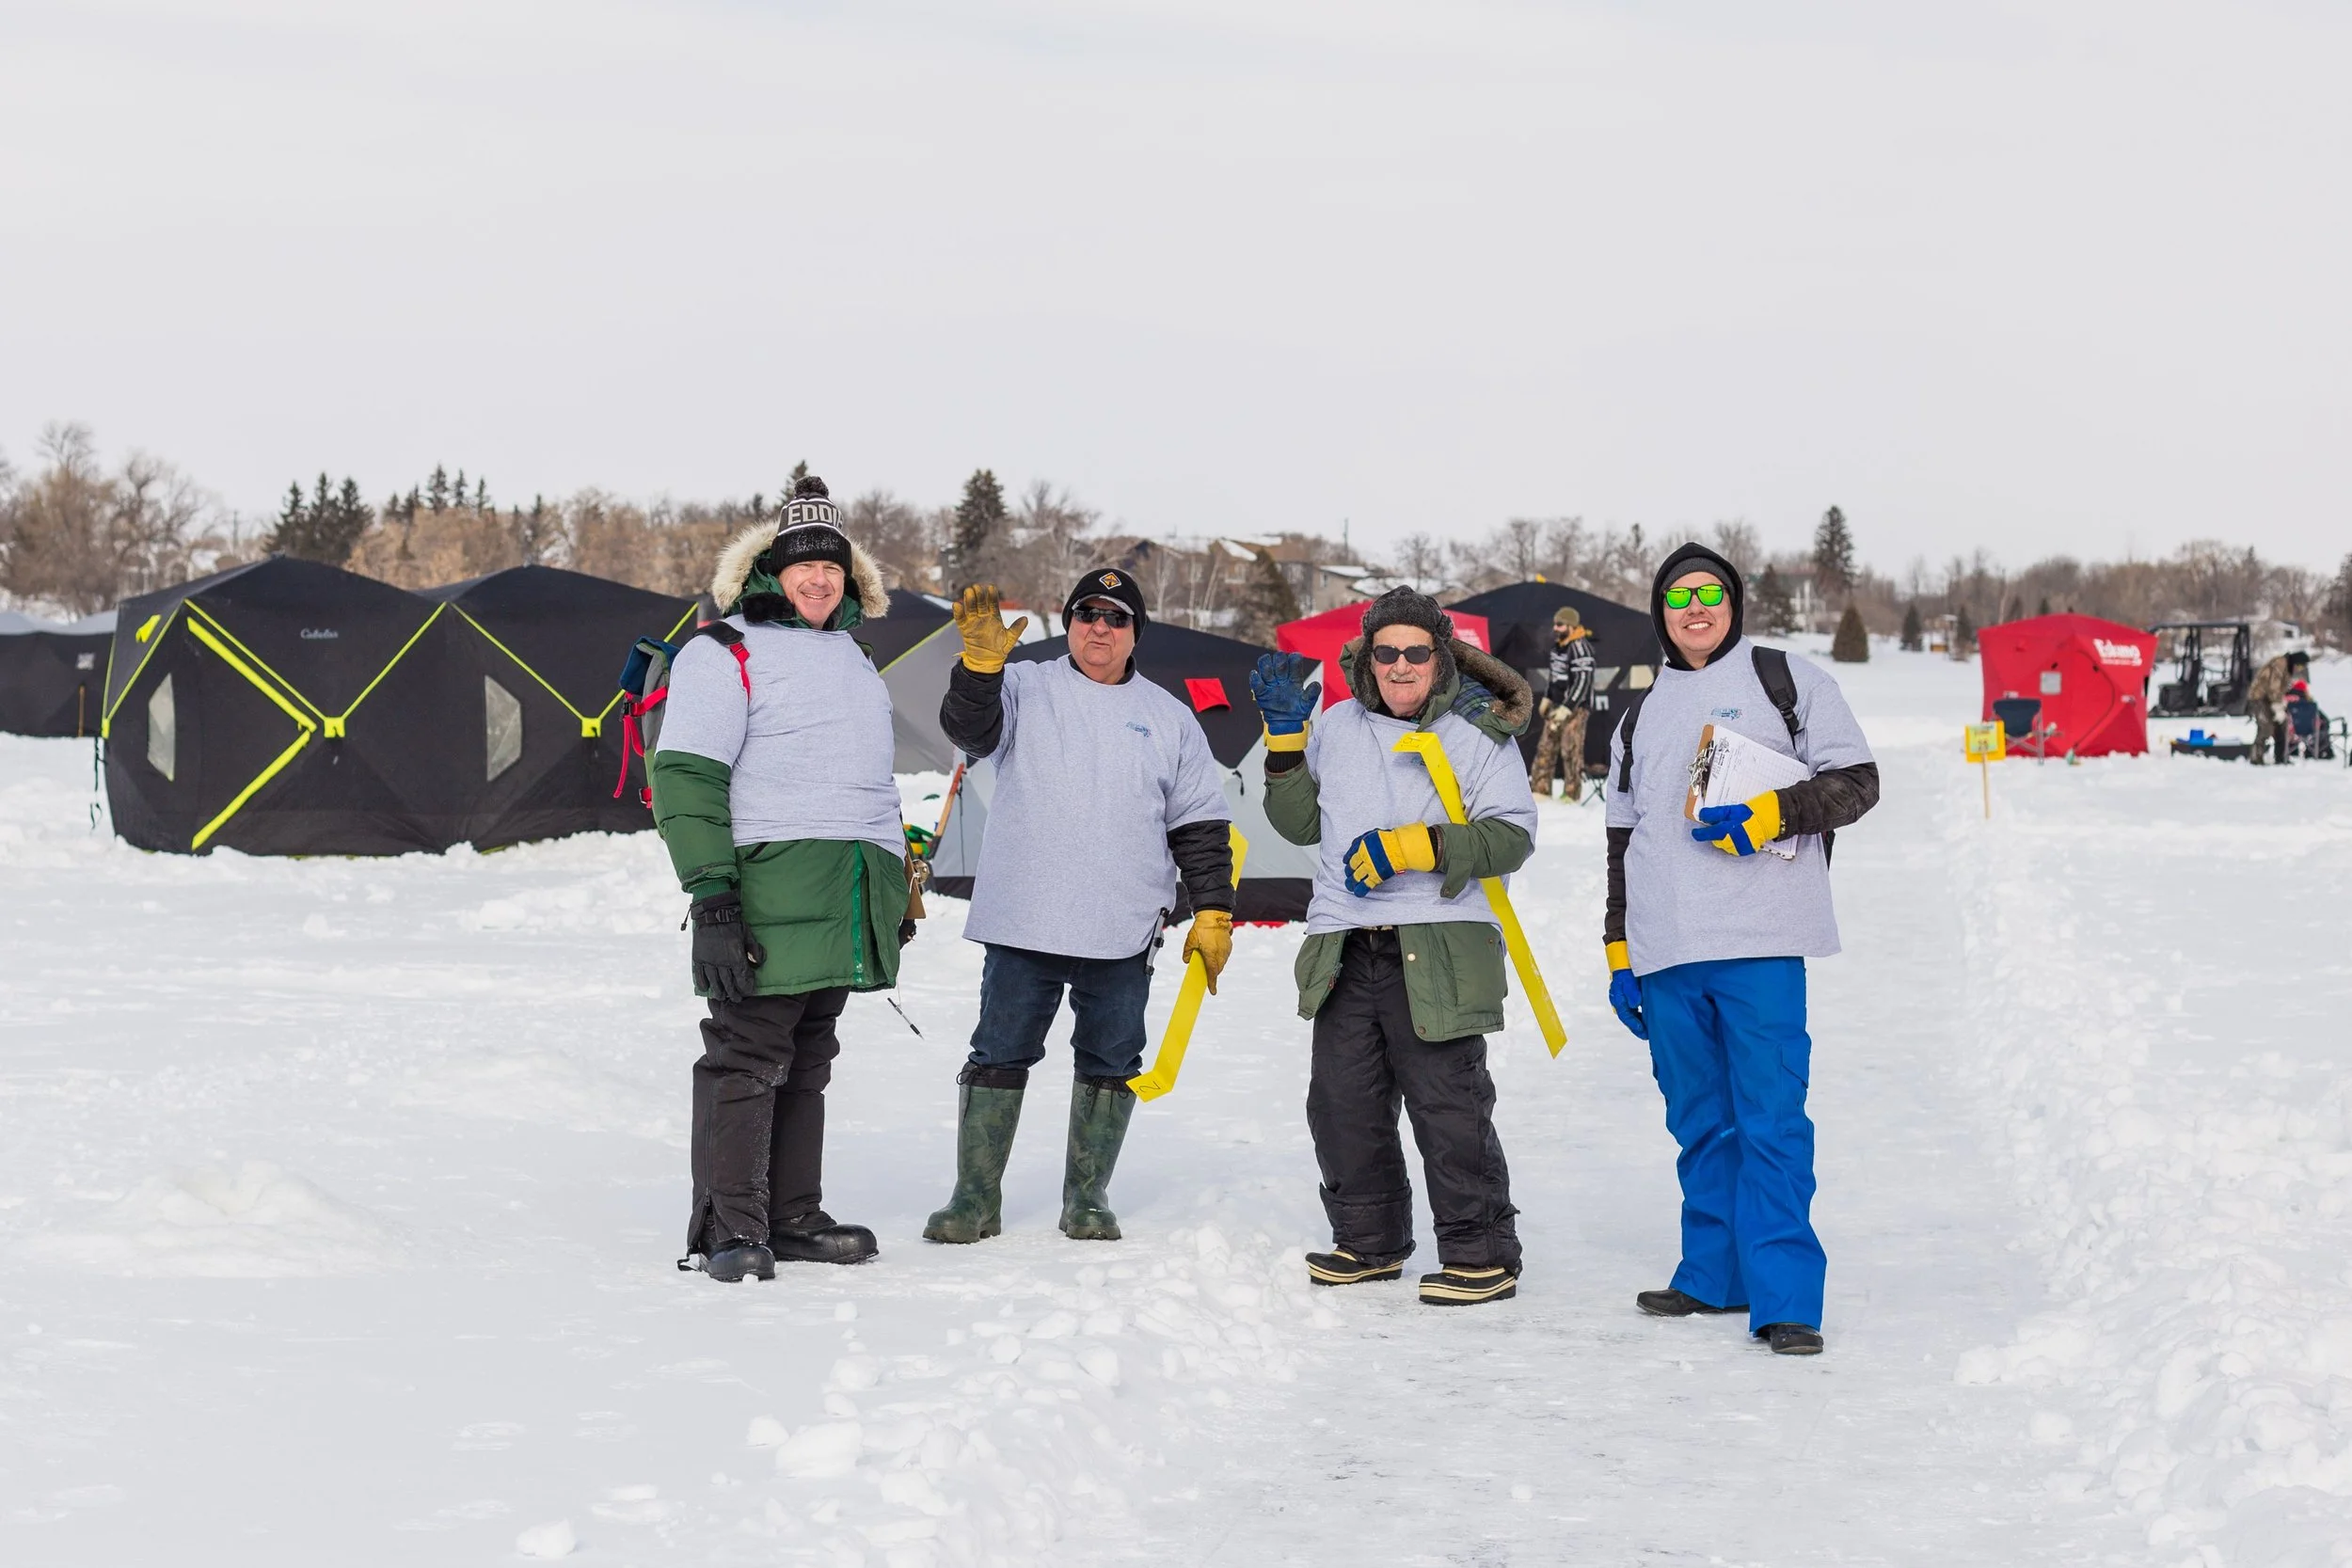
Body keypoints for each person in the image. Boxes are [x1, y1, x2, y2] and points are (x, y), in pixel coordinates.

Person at [1603, 545, 1879, 1354]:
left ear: (1733, 603)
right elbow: (1622, 839)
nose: (1695, 607)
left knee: (1769, 1119)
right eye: (1678, 595)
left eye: (1710, 593)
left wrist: (1770, 815)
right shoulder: (1638, 711)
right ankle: (1712, 1273)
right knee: (1698, 1120)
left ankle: (1785, 1296)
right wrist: (1619, 951)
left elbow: (1857, 781)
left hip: (1760, 943)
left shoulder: (1782, 679)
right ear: (1660, 610)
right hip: (1667, 948)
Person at [651, 475, 916, 1283]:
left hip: (844, 887)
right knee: (747, 1053)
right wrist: (714, 898)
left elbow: (870, 784)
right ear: (769, 569)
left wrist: (892, 886)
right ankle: (730, 1225)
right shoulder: (722, 649)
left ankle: (793, 1214)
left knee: (810, 1054)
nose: (818, 578)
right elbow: (686, 777)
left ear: (850, 577)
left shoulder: (853, 656)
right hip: (764, 886)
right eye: (802, 564)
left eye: (832, 565)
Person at [924, 568, 1235, 1244]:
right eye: (1087, 612)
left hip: (1122, 928)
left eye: (1116, 617)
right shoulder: (1023, 684)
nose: (1099, 626)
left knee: (1111, 1060)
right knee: (999, 1052)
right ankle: (974, 1198)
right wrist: (978, 668)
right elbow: (969, 732)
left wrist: (1214, 908)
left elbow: (1200, 825)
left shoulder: (1169, 717)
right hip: (1022, 919)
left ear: (1135, 634)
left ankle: (1088, 1197)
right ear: (1069, 622)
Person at [1255, 587, 1536, 1307]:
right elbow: (1295, 824)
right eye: (1387, 652)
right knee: (1343, 1102)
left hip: (1439, 945)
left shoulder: (1476, 732)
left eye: (1416, 651)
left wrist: (1420, 845)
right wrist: (1286, 741)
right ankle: (1371, 1242)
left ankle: (1481, 1252)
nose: (1401, 665)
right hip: (1344, 942)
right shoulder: (1338, 726)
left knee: (1449, 1104)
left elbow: (1512, 834)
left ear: (1439, 657)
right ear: (1368, 659)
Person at [1530, 605, 1597, 801]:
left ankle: (1571, 794)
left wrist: (1567, 708)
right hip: (1555, 706)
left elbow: (1583, 682)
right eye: (1555, 625)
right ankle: (1540, 790)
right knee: (1545, 748)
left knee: (1570, 750)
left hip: (1576, 709)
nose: (1556, 629)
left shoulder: (1581, 648)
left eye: (1560, 625)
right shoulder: (1557, 646)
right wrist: (1547, 698)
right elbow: (1554, 676)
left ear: (1570, 625)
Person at [2247, 650, 2310, 766]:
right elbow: (2273, 686)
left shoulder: (2288, 668)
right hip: (2260, 698)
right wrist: (2277, 706)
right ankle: (2256, 757)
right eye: (2300, 665)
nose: (2299, 669)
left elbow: (2281, 689)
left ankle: (2281, 757)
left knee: (2283, 726)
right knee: (2266, 727)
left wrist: (2281, 704)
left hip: (2273, 699)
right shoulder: (2280, 663)